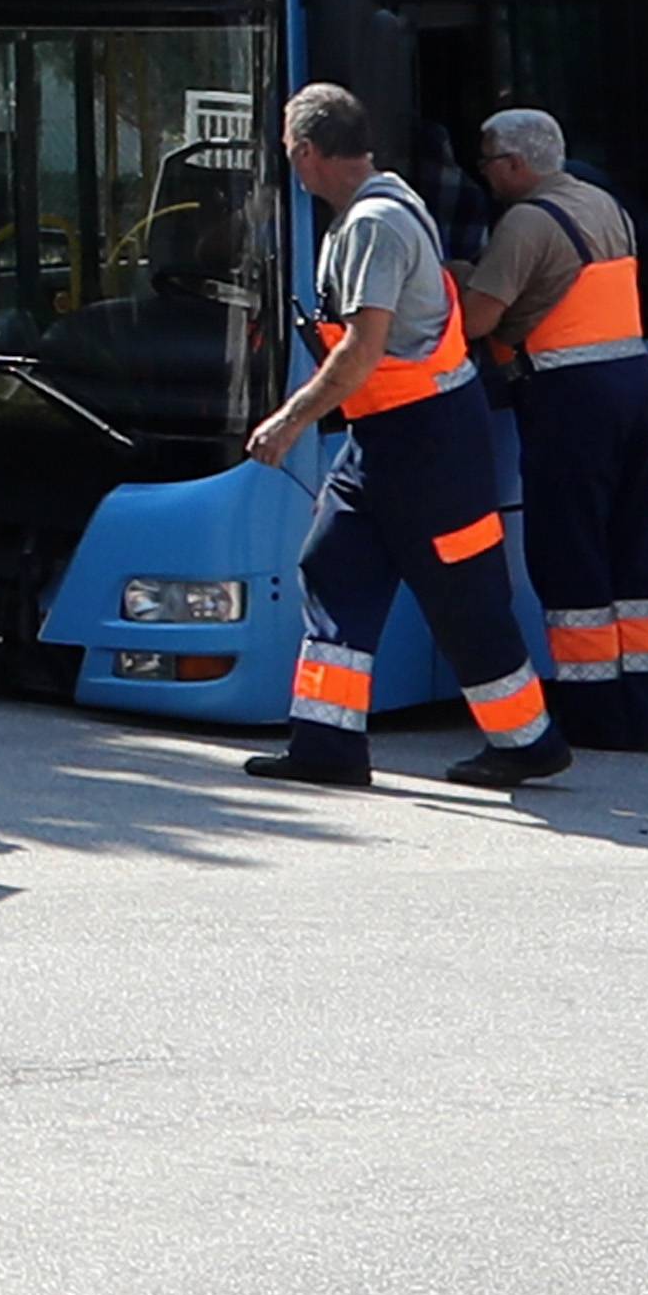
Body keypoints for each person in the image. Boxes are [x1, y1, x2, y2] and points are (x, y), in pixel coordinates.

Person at [242, 84, 573, 793]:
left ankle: (528, 741)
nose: (292, 171)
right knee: (334, 563)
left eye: (291, 157)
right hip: (388, 437)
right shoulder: (382, 207)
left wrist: (289, 420)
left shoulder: (373, 225)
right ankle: (327, 745)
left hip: (426, 439)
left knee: (463, 592)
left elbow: (362, 349)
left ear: (306, 152)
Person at [462, 107, 648, 751]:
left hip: (569, 400)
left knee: (570, 553)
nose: (484, 174)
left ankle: (592, 712)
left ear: (517, 165)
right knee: (631, 551)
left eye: (489, 161)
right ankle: (642, 706)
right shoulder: (602, 203)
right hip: (635, 386)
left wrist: (459, 276)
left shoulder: (526, 222)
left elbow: (475, 321)